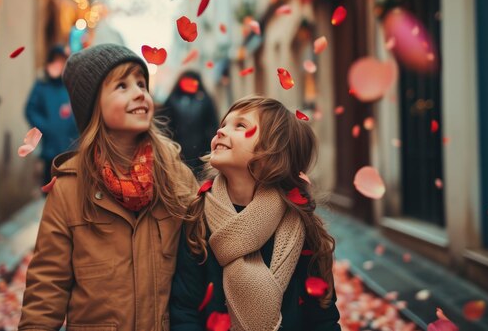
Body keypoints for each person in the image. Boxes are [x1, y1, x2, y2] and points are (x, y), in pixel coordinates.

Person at [18, 44, 198, 331]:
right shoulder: (69, 190)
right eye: (122, 86)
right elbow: (46, 290)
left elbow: (200, 263)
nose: (140, 92)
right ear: (94, 107)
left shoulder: (176, 179)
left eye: (141, 83)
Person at [170, 96, 341, 331]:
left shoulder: (298, 222)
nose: (221, 131)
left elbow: (323, 317)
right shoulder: (198, 217)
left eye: (240, 126)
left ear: (273, 150)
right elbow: (184, 309)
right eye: (224, 124)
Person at [24, 45, 79, 185]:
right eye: (55, 61)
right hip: (51, 150)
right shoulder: (42, 86)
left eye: (61, 61)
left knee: (71, 190)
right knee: (50, 191)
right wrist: (46, 127)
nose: (58, 65)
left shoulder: (71, 85)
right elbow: (30, 110)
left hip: (72, 150)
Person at [159, 70, 218, 176]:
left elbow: (213, 124)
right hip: (178, 149)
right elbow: (164, 124)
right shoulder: (172, 99)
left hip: (202, 149)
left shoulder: (205, 100)